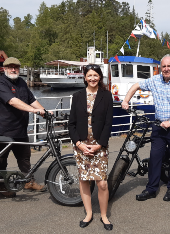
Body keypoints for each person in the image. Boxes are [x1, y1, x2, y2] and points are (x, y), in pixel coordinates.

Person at [121, 54, 170, 202]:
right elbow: (136, 86)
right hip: (159, 125)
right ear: (160, 68)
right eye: (163, 66)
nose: (166, 69)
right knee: (155, 156)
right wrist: (126, 100)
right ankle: (151, 189)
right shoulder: (155, 80)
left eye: (169, 66)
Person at [0, 57, 48, 197]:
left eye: (16, 67)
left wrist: (44, 112)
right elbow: (13, 101)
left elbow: (31, 99)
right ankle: (1, 187)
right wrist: (34, 111)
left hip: (20, 129)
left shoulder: (21, 82)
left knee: (24, 158)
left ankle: (28, 181)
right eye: (10, 67)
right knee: (1, 160)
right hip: (2, 130)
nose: (13, 69)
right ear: (4, 69)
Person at [68, 64, 113, 230]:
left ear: (100, 77)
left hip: (99, 146)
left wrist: (99, 144)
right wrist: (79, 144)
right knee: (84, 180)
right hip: (81, 146)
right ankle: (88, 213)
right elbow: (71, 124)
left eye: (95, 75)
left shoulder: (107, 96)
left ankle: (103, 215)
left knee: (102, 183)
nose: (92, 78)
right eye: (89, 76)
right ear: (85, 78)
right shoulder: (77, 96)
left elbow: (109, 123)